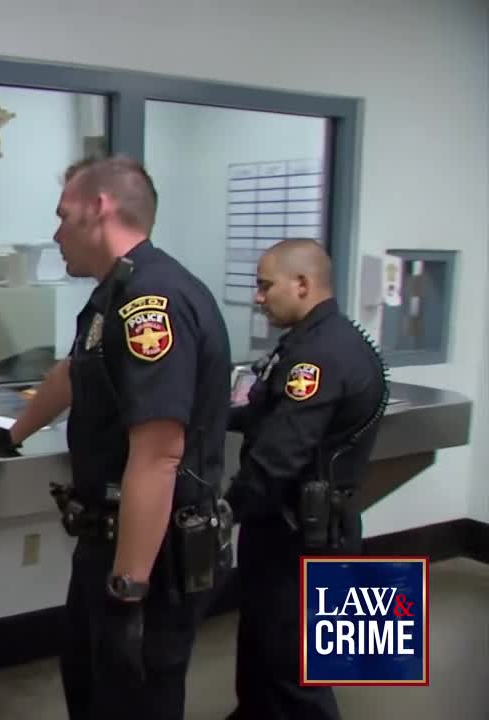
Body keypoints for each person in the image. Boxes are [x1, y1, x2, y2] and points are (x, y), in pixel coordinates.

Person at [0, 155, 234, 720]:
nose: (55, 234)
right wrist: (13, 433)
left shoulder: (152, 303)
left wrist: (129, 591)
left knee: (132, 701)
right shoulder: (115, 293)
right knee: (90, 690)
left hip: (151, 557)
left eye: (62, 217)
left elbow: (159, 456)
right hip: (107, 544)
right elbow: (75, 371)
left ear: (99, 209)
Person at [223, 238, 388, 720]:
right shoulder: (316, 340)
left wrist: (228, 508)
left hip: (303, 538)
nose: (258, 296)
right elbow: (260, 414)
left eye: (264, 285)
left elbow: (280, 454)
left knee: (294, 671)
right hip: (290, 528)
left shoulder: (319, 357)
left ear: (302, 284)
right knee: (259, 654)